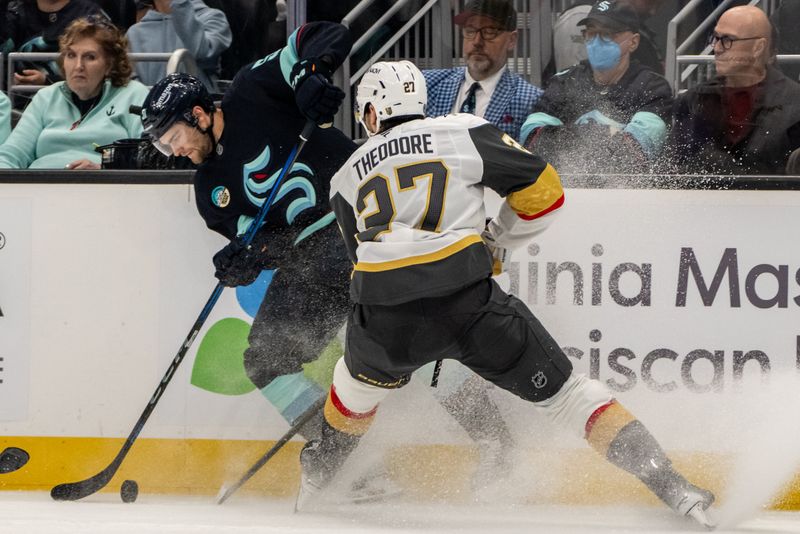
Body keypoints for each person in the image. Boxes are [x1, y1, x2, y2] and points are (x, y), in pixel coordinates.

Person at [298, 59, 716, 530]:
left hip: (383, 318)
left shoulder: (345, 175)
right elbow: (546, 194)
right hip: (468, 302)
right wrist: (497, 239)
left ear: (370, 113)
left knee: (350, 396)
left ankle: (311, 488)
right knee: (572, 397)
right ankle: (674, 487)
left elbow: (364, 260)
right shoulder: (463, 131)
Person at [139, 21, 518, 497]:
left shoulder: (251, 91)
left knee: (423, 332)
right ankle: (353, 469)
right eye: (161, 145)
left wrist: (312, 76)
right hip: (314, 261)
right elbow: (270, 243)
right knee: (265, 361)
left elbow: (326, 35)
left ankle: (495, 442)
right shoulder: (207, 191)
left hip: (367, 225)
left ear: (197, 114)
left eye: (170, 136)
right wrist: (248, 258)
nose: (171, 150)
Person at [520, 0, 672, 175]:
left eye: (608, 34)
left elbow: (634, 154)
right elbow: (531, 139)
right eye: (592, 33)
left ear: (633, 42)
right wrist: (608, 135)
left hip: (629, 197)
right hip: (566, 194)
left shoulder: (653, 87)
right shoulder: (563, 82)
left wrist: (563, 135)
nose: (598, 41)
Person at [0, 16, 148, 169]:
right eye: (71, 55)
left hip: (104, 187)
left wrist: (103, 168)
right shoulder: (46, 97)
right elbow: (12, 153)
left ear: (110, 64)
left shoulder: (133, 94)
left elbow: (150, 155)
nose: (78, 66)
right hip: (42, 186)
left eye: (90, 57)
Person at [667, 5, 800, 175]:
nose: (717, 48)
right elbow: (671, 171)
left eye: (728, 40)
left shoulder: (795, 104)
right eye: (715, 38)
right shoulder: (693, 100)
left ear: (758, 47)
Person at [423, 0, 542, 141]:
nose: (477, 41)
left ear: (511, 40)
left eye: (489, 32)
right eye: (470, 31)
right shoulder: (426, 85)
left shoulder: (531, 100)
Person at [125, 0, 232, 91]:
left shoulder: (213, 18)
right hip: (148, 112)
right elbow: (129, 83)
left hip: (197, 110)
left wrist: (180, 5)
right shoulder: (135, 32)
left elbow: (202, 52)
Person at [1, 0, 107, 86]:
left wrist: (48, 81)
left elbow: (109, 69)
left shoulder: (91, 15)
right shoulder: (13, 12)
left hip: (77, 99)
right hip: (15, 102)